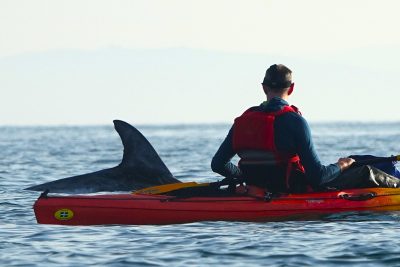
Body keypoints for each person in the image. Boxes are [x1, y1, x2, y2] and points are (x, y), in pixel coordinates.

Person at [211, 64, 399, 193]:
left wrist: (245, 176)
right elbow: (318, 177)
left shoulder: (242, 121)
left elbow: (217, 164)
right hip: (293, 188)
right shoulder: (294, 121)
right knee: (366, 172)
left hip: (256, 186)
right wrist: (342, 165)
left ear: (263, 88)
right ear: (291, 88)